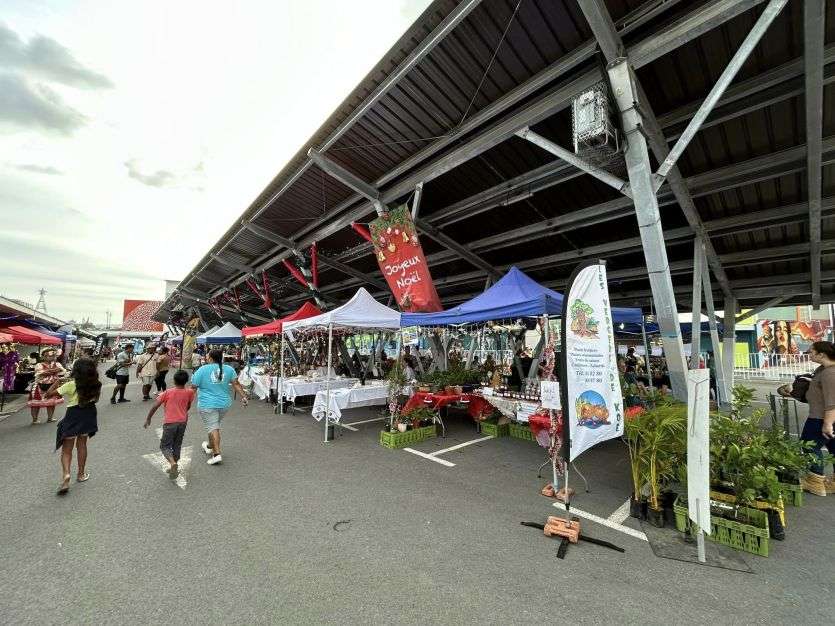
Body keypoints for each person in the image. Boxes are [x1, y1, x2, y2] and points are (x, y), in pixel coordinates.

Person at [46, 358, 101, 495]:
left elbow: (48, 394)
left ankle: (66, 475)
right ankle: (81, 474)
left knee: (67, 449)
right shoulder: (96, 384)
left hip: (73, 415)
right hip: (89, 414)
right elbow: (96, 400)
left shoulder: (71, 384)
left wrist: (57, 382)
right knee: (82, 445)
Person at [191, 349, 249, 466]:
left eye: (207, 356)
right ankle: (209, 446)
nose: (206, 358)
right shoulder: (229, 369)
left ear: (210, 358)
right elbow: (236, 384)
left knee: (213, 427)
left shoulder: (202, 369)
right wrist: (244, 397)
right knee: (213, 425)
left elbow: (193, 387)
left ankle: (216, 454)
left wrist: (185, 402)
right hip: (224, 404)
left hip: (207, 404)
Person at [800, 341, 835, 496]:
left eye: (811, 351)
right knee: (833, 448)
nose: (809, 354)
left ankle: (815, 481)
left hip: (821, 418)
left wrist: (828, 424)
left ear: (821, 354)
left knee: (809, 446)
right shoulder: (823, 369)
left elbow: (832, 402)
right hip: (825, 417)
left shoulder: (830, 373)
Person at [144, 370, 195, 477]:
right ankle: (174, 466)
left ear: (174, 381)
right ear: (186, 381)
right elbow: (188, 406)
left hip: (170, 423)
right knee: (177, 444)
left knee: (165, 446)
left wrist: (148, 418)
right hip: (182, 422)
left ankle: (172, 463)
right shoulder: (190, 392)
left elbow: (155, 405)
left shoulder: (167, 392)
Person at [27, 348, 67, 424]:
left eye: (54, 356)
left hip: (53, 385)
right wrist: (54, 371)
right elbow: (40, 373)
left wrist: (49, 371)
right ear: (44, 357)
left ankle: (50, 418)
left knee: (52, 402)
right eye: (50, 356)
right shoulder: (39, 365)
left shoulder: (57, 364)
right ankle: (35, 419)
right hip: (40, 386)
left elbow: (62, 371)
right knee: (36, 403)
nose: (53, 357)